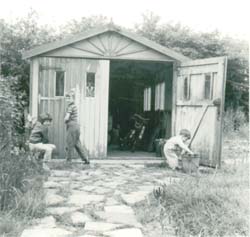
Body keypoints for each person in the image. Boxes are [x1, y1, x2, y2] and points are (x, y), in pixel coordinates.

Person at [64, 89, 90, 164]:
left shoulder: (70, 107)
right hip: (76, 126)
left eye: (69, 98)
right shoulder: (73, 106)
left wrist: (65, 119)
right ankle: (86, 159)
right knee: (77, 143)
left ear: (73, 99)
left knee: (69, 143)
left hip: (72, 126)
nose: (68, 99)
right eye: (67, 98)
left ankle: (68, 161)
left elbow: (67, 117)